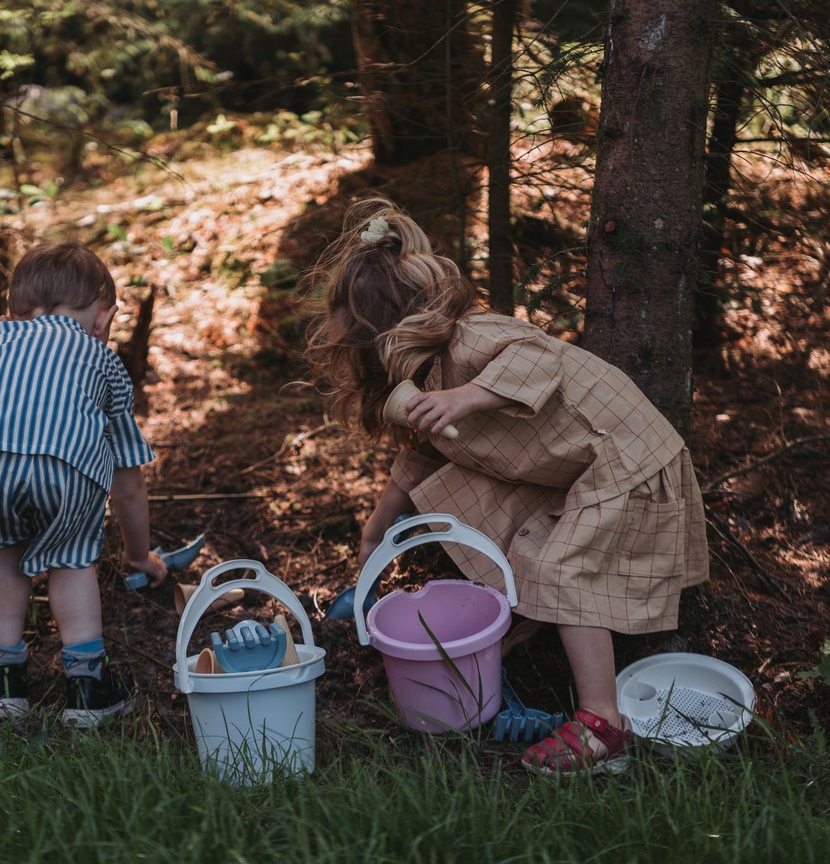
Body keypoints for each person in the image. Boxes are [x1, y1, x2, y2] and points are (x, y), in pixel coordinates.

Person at [303, 199, 708, 777]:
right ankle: (517, 627)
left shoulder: (470, 338)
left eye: (341, 313)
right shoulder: (420, 381)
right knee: (462, 495)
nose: (335, 326)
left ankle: (603, 722)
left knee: (566, 567)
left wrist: (464, 397)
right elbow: (417, 461)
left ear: (376, 320)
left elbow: (537, 353)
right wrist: (376, 529)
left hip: (627, 458)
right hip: (575, 467)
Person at [0, 241, 168, 727]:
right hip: (65, 473)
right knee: (71, 560)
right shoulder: (104, 362)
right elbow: (128, 483)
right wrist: (138, 554)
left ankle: (2, 683)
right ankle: (89, 692)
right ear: (103, 319)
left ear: (13, 311)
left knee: (4, 554)